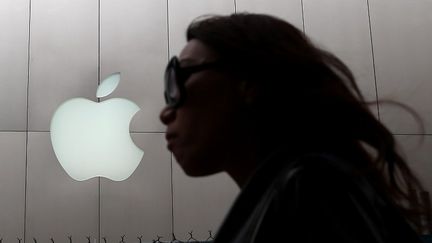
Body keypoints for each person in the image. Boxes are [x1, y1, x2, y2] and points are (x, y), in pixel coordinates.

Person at [159, 13, 427, 243]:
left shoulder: (312, 189)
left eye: (179, 77)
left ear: (250, 82)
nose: (166, 112)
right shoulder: (306, 188)